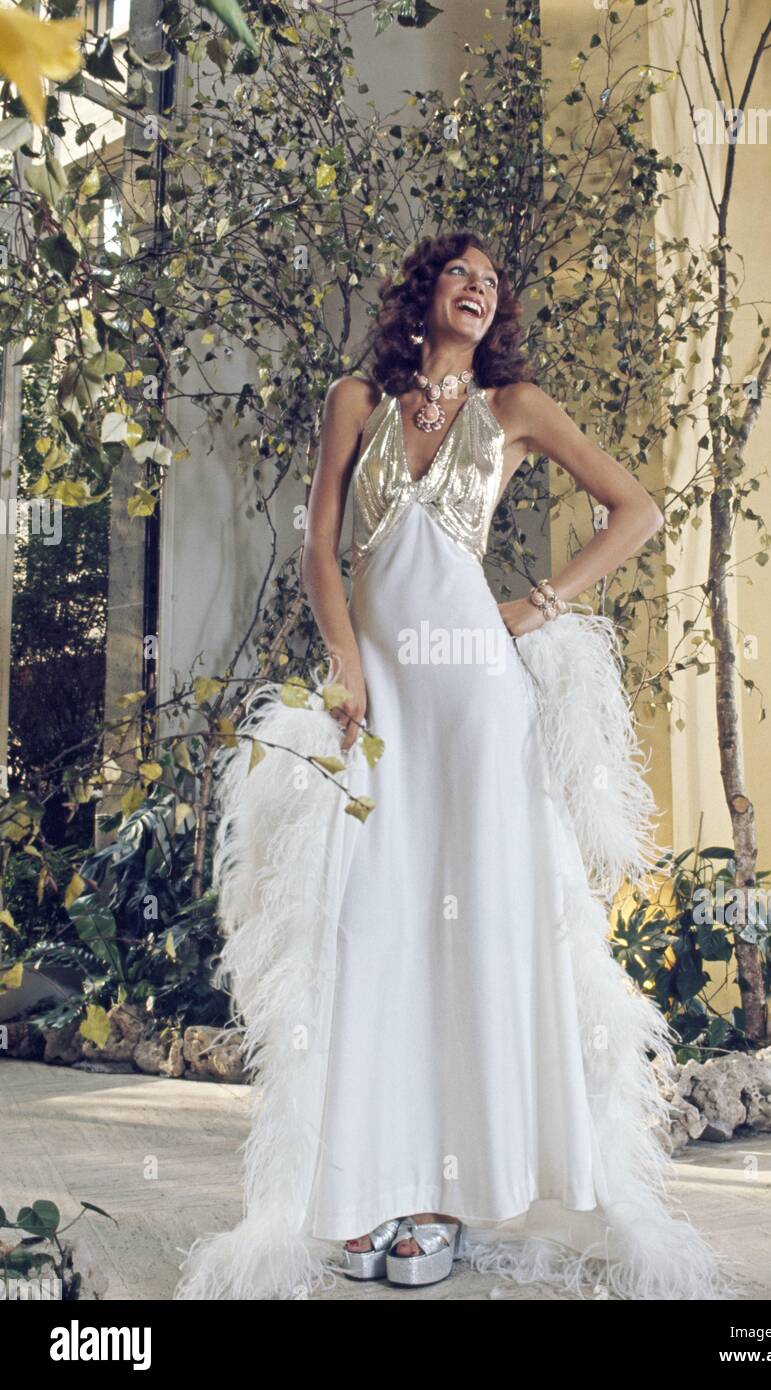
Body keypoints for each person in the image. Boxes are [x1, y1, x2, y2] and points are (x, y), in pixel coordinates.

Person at [173, 230, 735, 1301]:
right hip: (380, 703)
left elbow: (639, 508)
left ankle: (444, 1197)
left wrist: (536, 605)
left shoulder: (513, 408)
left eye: (491, 282)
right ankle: (370, 1183)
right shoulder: (358, 401)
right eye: (458, 274)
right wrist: (345, 667)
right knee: (373, 923)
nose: (477, 289)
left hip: (479, 698)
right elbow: (321, 549)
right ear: (423, 291)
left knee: (471, 923)